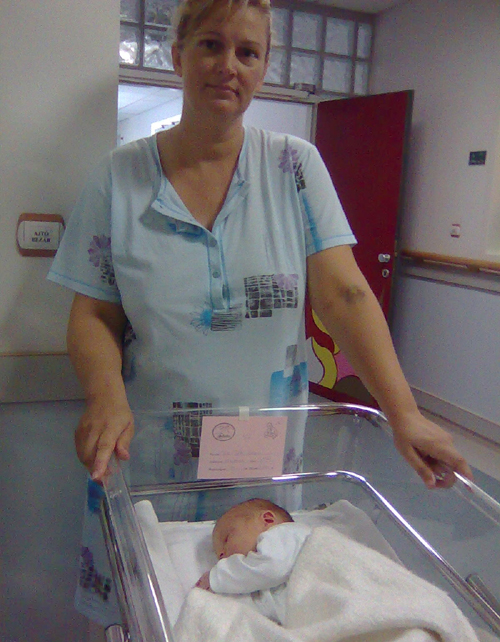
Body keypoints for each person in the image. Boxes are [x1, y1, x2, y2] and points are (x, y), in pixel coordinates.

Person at [47, 0, 472, 625]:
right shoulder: (120, 177)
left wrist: (403, 411)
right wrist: (105, 394)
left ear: (265, 66)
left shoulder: (294, 167)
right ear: (178, 55)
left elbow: (345, 296)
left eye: (248, 52)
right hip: (149, 451)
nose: (229, 65)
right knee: (147, 611)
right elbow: (93, 314)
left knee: (255, 601)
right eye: (211, 45)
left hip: (259, 457)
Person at [195, 498, 311, 625]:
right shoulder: (262, 581)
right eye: (219, 555)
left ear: (267, 519)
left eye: (227, 539)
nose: (222, 556)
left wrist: (216, 577)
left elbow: (272, 567)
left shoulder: (287, 533)